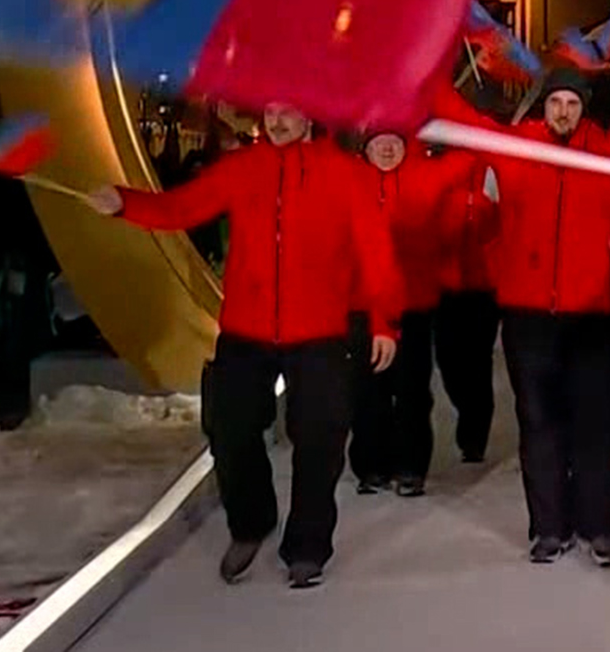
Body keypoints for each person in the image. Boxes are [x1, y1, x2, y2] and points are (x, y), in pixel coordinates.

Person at [86, 104, 399, 589]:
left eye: (289, 110)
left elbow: (374, 248)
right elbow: (180, 209)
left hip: (318, 331)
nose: (277, 120)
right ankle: (251, 523)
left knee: (320, 440)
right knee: (228, 428)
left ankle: (308, 547)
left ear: (309, 114)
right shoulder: (240, 168)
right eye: (270, 110)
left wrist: (384, 321)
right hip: (246, 329)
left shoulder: (343, 173)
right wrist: (124, 203)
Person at [431, 69, 610, 566]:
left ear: (584, 108)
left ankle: (605, 528)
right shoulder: (518, 147)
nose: (564, 111)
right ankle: (550, 527)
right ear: (543, 107)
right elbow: (460, 117)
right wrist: (424, 67)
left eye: (573, 102)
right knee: (540, 424)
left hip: (590, 313)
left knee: (596, 425)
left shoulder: (605, 157)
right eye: (556, 102)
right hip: (529, 315)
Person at [349, 130, 443, 497]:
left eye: (395, 142)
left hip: (413, 306)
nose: (387, 149)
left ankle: (410, 466)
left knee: (412, 392)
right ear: (366, 148)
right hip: (361, 306)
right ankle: (371, 465)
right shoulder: (352, 183)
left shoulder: (422, 178)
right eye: (378, 142)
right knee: (367, 391)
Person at [426, 142, 501, 464]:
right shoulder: (437, 173)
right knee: (449, 360)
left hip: (485, 284)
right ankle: (467, 409)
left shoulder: (492, 171)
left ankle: (474, 435)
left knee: (478, 360)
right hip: (445, 282)